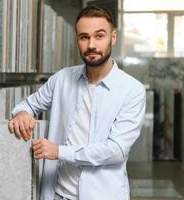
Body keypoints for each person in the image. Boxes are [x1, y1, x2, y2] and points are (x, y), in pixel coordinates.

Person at [8, 5, 145, 200]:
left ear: (113, 38)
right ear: (77, 40)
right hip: (57, 194)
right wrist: (22, 113)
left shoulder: (132, 90)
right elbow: (28, 105)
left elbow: (116, 150)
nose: (91, 45)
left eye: (99, 36)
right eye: (84, 37)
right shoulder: (61, 79)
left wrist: (58, 152)